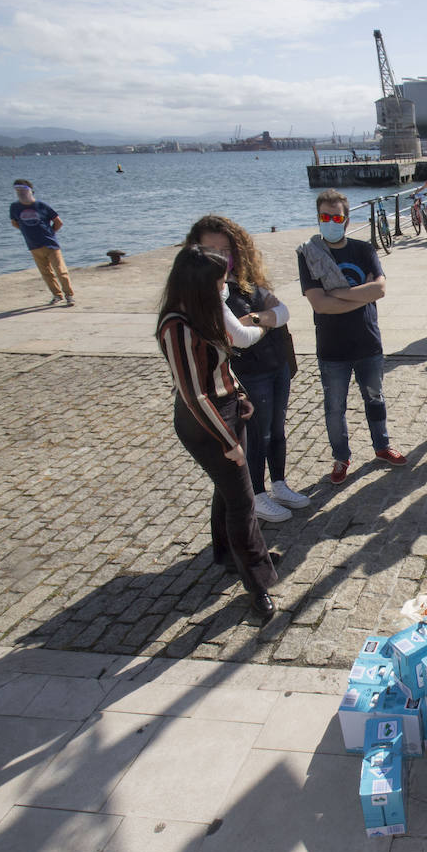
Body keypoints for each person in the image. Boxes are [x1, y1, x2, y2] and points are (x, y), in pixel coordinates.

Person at [156, 245, 278, 622]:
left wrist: (239, 394)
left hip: (225, 409)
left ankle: (228, 556)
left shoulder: (203, 310)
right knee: (242, 501)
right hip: (204, 423)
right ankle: (257, 581)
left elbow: (221, 364)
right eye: (220, 282)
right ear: (200, 285)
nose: (225, 288)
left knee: (228, 492)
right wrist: (228, 442)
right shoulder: (176, 327)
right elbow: (194, 394)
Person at [186, 215, 309, 523]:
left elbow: (282, 311)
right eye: (212, 250)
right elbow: (239, 338)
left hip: (276, 364)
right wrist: (266, 321)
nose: (221, 257)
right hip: (249, 374)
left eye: (226, 250)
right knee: (257, 435)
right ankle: (257, 494)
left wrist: (257, 319)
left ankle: (279, 483)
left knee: (277, 430)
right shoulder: (207, 293)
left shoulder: (245, 283)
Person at [297, 189, 408, 485]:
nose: (330, 222)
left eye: (336, 217)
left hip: (367, 341)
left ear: (346, 220)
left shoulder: (364, 250)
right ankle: (341, 457)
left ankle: (382, 446)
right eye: (325, 217)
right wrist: (362, 294)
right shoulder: (309, 254)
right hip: (332, 347)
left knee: (375, 398)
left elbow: (380, 289)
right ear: (318, 218)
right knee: (335, 408)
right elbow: (320, 304)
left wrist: (338, 293)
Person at [8, 179, 75, 305]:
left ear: (30, 191)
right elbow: (15, 223)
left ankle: (69, 295)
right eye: (18, 190)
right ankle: (57, 295)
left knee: (60, 271)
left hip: (50, 244)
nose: (21, 193)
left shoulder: (41, 205)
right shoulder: (15, 207)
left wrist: (50, 233)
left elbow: (58, 222)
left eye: (23, 190)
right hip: (33, 245)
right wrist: (27, 232)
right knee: (46, 273)